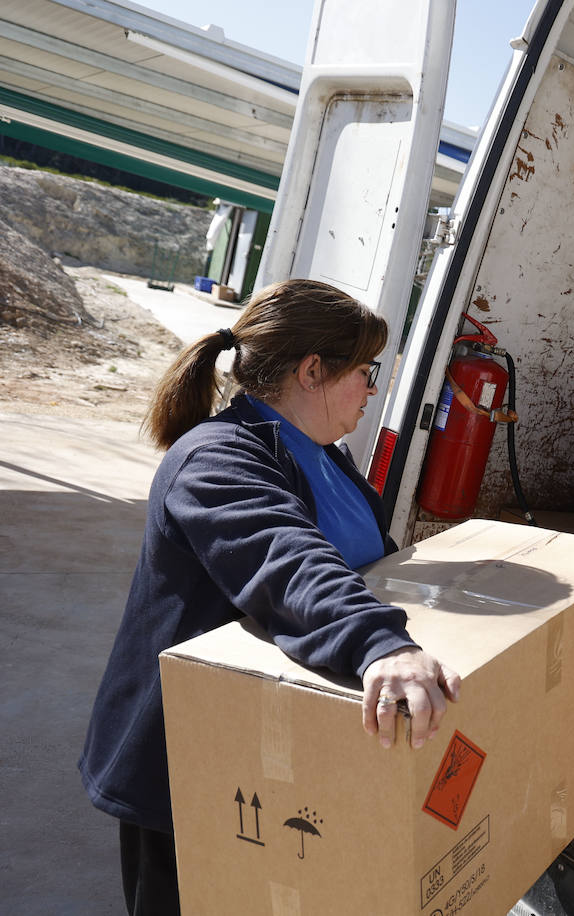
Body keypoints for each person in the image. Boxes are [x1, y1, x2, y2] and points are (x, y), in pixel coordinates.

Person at [79, 279, 462, 914]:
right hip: (187, 764)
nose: (374, 390)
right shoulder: (216, 459)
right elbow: (286, 560)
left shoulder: (324, 457)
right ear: (314, 370)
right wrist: (379, 644)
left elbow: (372, 563)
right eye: (367, 372)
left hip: (271, 753)